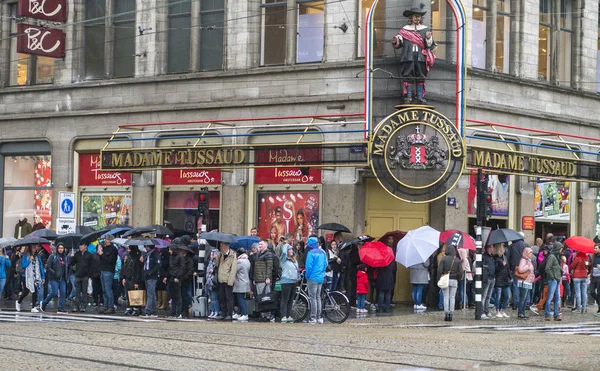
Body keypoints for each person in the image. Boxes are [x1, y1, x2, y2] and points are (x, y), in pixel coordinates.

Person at [391, 6, 436, 104]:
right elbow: (400, 41)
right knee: (408, 75)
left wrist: (428, 38)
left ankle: (420, 97)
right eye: (415, 16)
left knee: (421, 75)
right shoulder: (404, 30)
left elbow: (429, 46)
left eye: (419, 16)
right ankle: (409, 96)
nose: (417, 18)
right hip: (408, 56)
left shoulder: (425, 30)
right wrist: (396, 40)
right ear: (410, 17)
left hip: (421, 57)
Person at [437, 243, 462, 321]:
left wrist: (439, 279)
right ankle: (451, 313)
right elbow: (461, 272)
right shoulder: (457, 260)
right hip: (454, 280)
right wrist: (458, 278)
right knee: (452, 297)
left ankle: (446, 313)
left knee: (446, 297)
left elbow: (439, 270)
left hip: (445, 279)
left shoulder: (443, 259)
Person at [304, 236, 327, 324]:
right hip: (320, 277)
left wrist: (307, 276)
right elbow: (325, 264)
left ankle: (313, 317)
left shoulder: (311, 253)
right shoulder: (323, 252)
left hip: (312, 277)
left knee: (312, 298)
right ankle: (319, 317)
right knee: (318, 297)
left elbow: (309, 267)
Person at [41, 243, 69, 313]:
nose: (60, 249)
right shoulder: (53, 256)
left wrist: (66, 277)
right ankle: (44, 302)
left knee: (63, 292)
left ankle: (60, 308)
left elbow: (67, 267)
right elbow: (48, 266)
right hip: (54, 278)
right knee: (54, 292)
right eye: (59, 248)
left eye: (62, 248)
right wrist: (54, 273)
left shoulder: (65, 257)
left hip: (62, 278)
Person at [215, 241, 237, 320]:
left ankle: (229, 313)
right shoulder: (221, 255)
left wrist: (230, 281)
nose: (221, 247)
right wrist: (216, 258)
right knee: (221, 297)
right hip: (221, 279)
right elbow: (216, 264)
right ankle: (223, 312)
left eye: (222, 246)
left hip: (228, 279)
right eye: (220, 246)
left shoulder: (232, 255)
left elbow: (233, 268)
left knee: (229, 297)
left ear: (227, 246)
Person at [69, 242, 93, 313]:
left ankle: (83, 306)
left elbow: (91, 266)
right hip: (78, 275)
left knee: (84, 292)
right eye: (80, 246)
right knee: (77, 292)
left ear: (85, 246)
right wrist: (72, 257)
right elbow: (72, 263)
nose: (80, 247)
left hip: (85, 276)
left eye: (82, 245)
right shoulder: (77, 254)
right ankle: (76, 306)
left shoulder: (89, 255)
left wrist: (88, 275)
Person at [97, 235, 118, 314]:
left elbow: (110, 260)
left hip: (109, 270)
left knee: (108, 289)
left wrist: (102, 254)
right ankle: (106, 305)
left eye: (106, 239)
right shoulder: (105, 248)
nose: (105, 241)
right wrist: (100, 252)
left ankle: (110, 306)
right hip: (103, 270)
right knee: (104, 290)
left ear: (109, 240)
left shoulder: (113, 249)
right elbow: (102, 259)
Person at [122, 245, 144, 316]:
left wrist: (137, 281)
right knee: (128, 293)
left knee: (134, 294)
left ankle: (136, 308)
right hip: (127, 277)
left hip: (133, 278)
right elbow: (124, 267)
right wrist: (123, 277)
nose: (128, 251)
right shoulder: (127, 257)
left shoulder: (137, 258)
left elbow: (138, 271)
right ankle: (129, 307)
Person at [279, 243, 299, 323]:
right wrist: (287, 244)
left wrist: (298, 278)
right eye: (289, 249)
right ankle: (283, 315)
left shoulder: (294, 260)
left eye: (291, 249)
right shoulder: (284, 259)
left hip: (293, 281)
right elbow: (284, 252)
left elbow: (296, 270)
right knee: (285, 299)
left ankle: (288, 315)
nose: (291, 251)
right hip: (286, 281)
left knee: (291, 299)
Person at [544, 242, 563, 321]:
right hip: (553, 279)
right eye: (561, 249)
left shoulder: (556, 256)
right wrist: (553, 277)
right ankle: (547, 314)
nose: (561, 251)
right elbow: (547, 268)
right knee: (550, 297)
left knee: (557, 298)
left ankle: (556, 314)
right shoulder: (552, 256)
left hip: (556, 279)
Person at [515, 247, 535, 319]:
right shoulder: (523, 260)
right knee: (523, 298)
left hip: (528, 281)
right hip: (524, 281)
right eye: (530, 253)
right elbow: (520, 269)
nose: (531, 254)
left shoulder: (529, 260)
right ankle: (520, 312)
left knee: (526, 298)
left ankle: (523, 312)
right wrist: (527, 267)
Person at [142, 241, 161, 317]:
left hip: (152, 276)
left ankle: (148, 309)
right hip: (146, 276)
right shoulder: (146, 254)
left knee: (150, 292)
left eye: (146, 246)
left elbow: (158, 265)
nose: (145, 248)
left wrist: (150, 272)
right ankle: (153, 309)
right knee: (151, 293)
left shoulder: (155, 254)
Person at [165, 245, 184, 318]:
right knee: (172, 295)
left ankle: (178, 312)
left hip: (177, 277)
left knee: (178, 295)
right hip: (171, 277)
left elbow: (182, 268)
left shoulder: (180, 257)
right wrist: (166, 276)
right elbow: (170, 267)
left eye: (170, 250)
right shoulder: (171, 257)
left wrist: (178, 277)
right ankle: (173, 311)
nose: (169, 251)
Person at [232, 248, 251, 322]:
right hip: (245, 281)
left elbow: (234, 270)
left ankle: (245, 314)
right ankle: (239, 313)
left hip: (240, 282)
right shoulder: (247, 260)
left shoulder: (240, 261)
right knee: (241, 298)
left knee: (240, 299)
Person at [493, 244, 512, 319]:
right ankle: (497, 311)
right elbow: (496, 269)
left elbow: (508, 268)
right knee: (498, 296)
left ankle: (502, 310)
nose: (503, 248)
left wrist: (510, 277)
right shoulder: (496, 258)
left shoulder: (505, 257)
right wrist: (502, 265)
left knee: (507, 296)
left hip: (505, 278)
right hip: (499, 278)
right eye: (502, 247)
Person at [481, 244, 496, 319]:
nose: (493, 248)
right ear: (489, 247)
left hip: (492, 278)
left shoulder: (491, 257)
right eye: (492, 247)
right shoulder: (484, 257)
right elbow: (483, 268)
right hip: (487, 278)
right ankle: (482, 311)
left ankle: (486, 310)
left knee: (488, 296)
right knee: (484, 295)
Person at [206, 249, 221, 319]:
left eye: (212, 254)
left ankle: (216, 311)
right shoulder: (210, 262)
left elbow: (218, 271)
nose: (211, 256)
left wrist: (214, 271)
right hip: (209, 281)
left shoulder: (217, 262)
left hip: (214, 282)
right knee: (211, 298)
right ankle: (212, 310)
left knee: (215, 298)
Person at [591, 244, 600, 316]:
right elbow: (592, 264)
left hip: (599, 277)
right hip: (593, 277)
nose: (595, 250)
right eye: (594, 248)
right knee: (592, 292)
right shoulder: (593, 256)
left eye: (596, 248)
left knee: (599, 294)